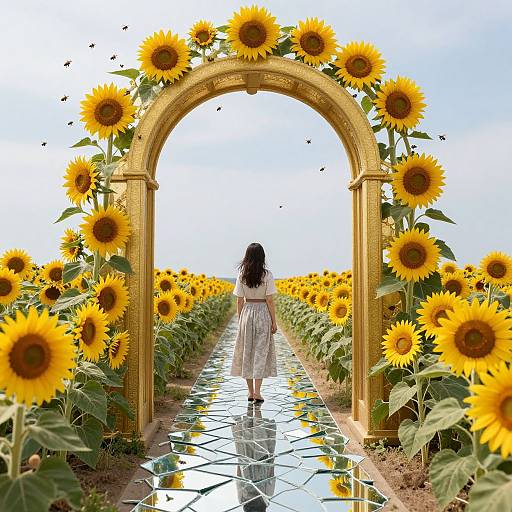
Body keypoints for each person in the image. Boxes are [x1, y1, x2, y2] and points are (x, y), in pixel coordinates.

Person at [230, 242, 278, 402]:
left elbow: (239, 301)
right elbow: (270, 300)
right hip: (263, 312)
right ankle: (258, 392)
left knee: (247, 352)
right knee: (260, 352)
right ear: (262, 257)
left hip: (247, 313)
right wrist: (274, 321)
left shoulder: (241, 275)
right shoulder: (268, 275)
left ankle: (250, 392)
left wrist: (240, 320)